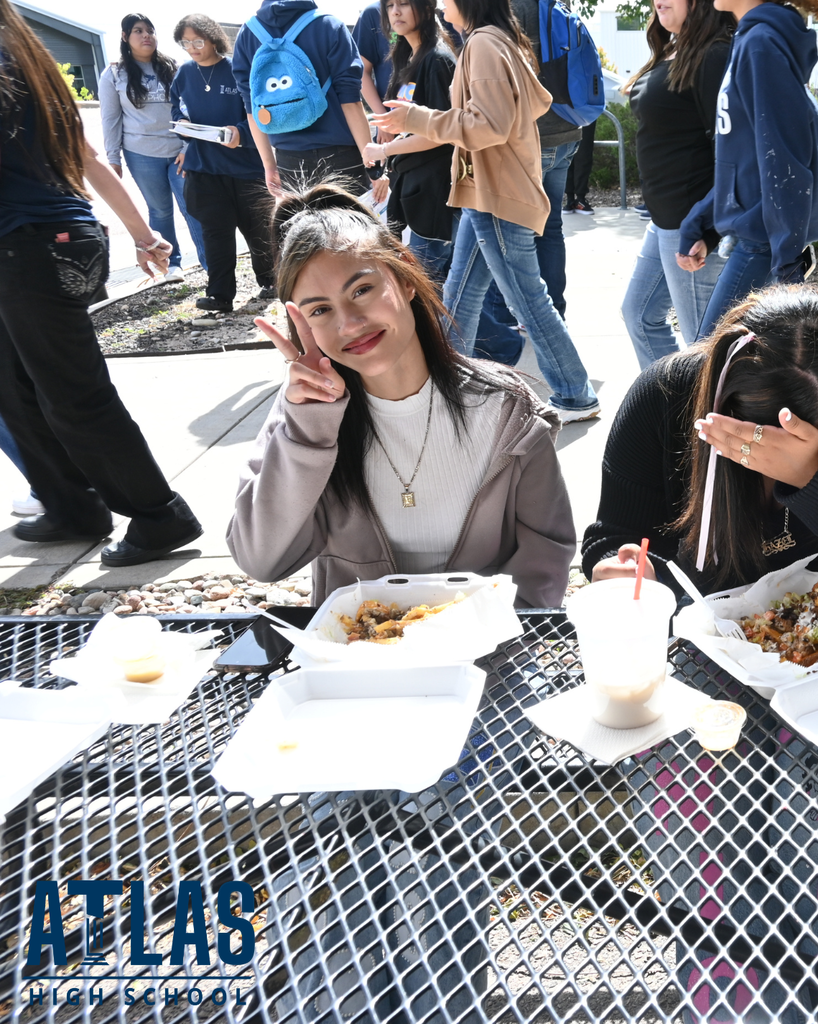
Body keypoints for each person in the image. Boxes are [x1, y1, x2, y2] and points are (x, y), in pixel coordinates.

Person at [227, 183, 575, 607]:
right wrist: (309, 430)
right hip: (359, 656)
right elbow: (261, 561)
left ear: (406, 277)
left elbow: (547, 552)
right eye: (320, 310)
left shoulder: (507, 408)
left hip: (486, 653)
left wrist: (489, 637)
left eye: (362, 290)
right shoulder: (302, 421)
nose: (350, 323)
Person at [0, 0, 203, 566]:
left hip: (31, 247)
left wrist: (143, 233)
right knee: (14, 389)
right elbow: (89, 156)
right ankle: (74, 505)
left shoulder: (8, 64)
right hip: (52, 239)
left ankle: (160, 514)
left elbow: (85, 157)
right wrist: (142, 233)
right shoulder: (29, 60)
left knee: (72, 394)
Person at [372, 0, 600, 423]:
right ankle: (440, 386)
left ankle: (574, 394)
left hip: (495, 190)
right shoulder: (496, 41)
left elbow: (488, 125)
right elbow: (513, 112)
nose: (439, 4)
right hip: (487, 190)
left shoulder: (483, 44)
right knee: (460, 292)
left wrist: (419, 118)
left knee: (526, 299)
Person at [582, 285, 818, 597]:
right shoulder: (664, 396)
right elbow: (615, 537)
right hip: (694, 627)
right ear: (727, 413)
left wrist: (809, 482)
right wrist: (627, 569)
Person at [677, 0, 818, 340]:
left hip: (765, 243)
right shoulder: (750, 39)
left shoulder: (761, 44)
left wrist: (787, 266)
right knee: (722, 369)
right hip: (762, 236)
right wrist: (701, 220)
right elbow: (745, 161)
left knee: (703, 363)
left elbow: (785, 157)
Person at [621, 0, 733, 369]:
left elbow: (732, 152)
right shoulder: (675, 47)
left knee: (706, 349)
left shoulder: (713, 55)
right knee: (639, 315)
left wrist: (706, 228)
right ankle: (669, 418)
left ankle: (695, 423)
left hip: (692, 226)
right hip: (665, 220)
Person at [474, 0, 585, 365]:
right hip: (568, 129)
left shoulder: (501, 9)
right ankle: (556, 315)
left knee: (512, 233)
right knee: (551, 228)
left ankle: (513, 321)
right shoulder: (552, 4)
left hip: (532, 139)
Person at [170, 14, 275, 314]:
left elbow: (259, 113)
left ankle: (270, 280)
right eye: (185, 42)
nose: (192, 48)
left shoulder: (236, 69)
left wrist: (240, 132)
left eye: (197, 41)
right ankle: (220, 295)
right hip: (205, 168)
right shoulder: (184, 74)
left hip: (246, 167)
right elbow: (178, 107)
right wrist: (184, 125)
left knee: (258, 229)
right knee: (215, 233)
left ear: (213, 38)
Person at [100, 12, 207, 281]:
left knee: (193, 206)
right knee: (159, 210)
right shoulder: (114, 74)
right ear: (125, 37)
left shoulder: (174, 68)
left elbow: (192, 110)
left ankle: (212, 264)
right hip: (141, 154)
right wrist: (113, 158)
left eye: (150, 30)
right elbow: (110, 118)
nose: (146, 35)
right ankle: (171, 265)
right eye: (138, 31)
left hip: (179, 152)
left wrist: (188, 146)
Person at [231, 0, 377, 198]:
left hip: (289, 159)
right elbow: (350, 102)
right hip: (342, 155)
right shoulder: (329, 25)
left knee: (304, 228)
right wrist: (371, 165)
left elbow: (252, 109)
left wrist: (269, 166)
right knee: (349, 227)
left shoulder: (247, 34)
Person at [362, 0, 458, 282]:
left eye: (404, 3)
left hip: (434, 192)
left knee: (426, 289)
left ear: (427, 8)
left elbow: (440, 133)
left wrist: (384, 149)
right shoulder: (408, 57)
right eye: (390, 5)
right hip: (412, 189)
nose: (395, 11)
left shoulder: (437, 59)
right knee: (435, 293)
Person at [352, 1, 392, 119]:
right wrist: (383, 117)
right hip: (390, 118)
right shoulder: (373, 13)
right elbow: (361, 71)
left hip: (429, 117)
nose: (396, 12)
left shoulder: (439, 12)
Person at [563, 121, 596, 215]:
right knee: (567, 153)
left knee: (584, 155)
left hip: (585, 112)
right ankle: (570, 199)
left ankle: (580, 198)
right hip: (565, 112)